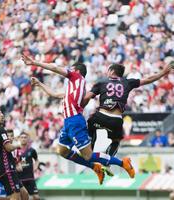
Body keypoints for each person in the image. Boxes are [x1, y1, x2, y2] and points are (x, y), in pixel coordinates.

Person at [22, 54, 135, 184]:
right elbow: (53, 94)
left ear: (76, 70)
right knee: (62, 150)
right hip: (69, 122)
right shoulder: (73, 89)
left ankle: (122, 163)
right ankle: (95, 167)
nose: (68, 70)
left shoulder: (77, 76)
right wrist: (40, 84)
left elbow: (56, 68)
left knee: (87, 155)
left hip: (75, 121)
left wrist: (34, 62)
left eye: (70, 68)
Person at [83, 62, 174, 156]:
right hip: (116, 119)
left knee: (91, 127)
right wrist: (163, 73)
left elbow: (86, 97)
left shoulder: (102, 82)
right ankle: (107, 161)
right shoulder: (127, 82)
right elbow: (148, 79)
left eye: (108, 70)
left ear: (112, 71)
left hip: (101, 116)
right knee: (116, 141)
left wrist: (79, 107)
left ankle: (88, 153)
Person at [0, 107, 29, 200]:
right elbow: (9, 147)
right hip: (6, 168)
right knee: (15, 197)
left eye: (1, 113)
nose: (2, 115)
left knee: (25, 194)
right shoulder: (0, 130)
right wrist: (18, 145)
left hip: (1, 169)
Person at [0, 129, 15, 200]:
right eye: (8, 136)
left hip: (11, 175)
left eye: (12, 136)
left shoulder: (15, 149)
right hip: (1, 175)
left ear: (14, 137)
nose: (10, 138)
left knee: (12, 196)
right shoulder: (0, 148)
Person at [15, 132, 40, 200]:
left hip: (30, 177)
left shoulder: (32, 150)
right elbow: (12, 162)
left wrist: (35, 166)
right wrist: (16, 167)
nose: (23, 139)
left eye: (25, 137)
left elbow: (37, 160)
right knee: (21, 197)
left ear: (28, 139)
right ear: (19, 139)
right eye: (22, 137)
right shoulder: (15, 150)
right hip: (19, 178)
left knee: (36, 197)